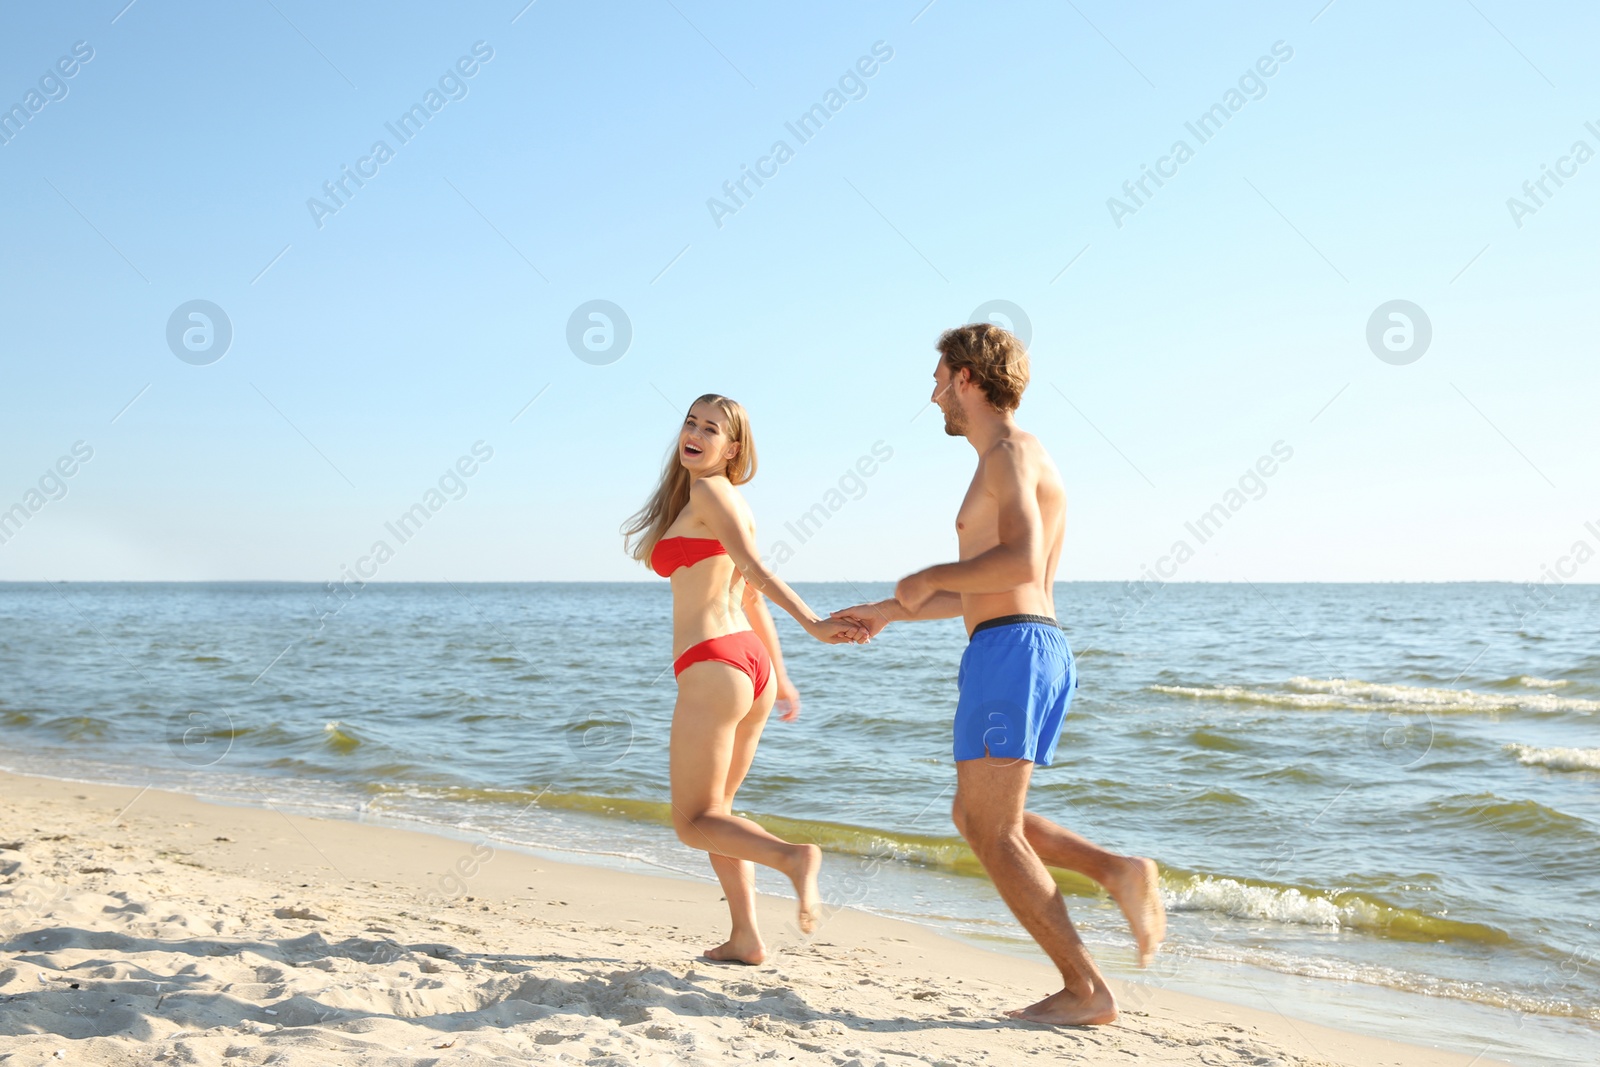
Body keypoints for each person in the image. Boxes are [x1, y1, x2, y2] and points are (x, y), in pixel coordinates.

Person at [832, 325, 1165, 1024]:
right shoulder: (1020, 455)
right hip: (1023, 642)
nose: (932, 394)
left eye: (938, 378)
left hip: (1013, 651)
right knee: (977, 816)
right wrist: (894, 609)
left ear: (967, 379)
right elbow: (995, 588)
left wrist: (926, 574)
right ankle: (1114, 869)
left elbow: (1017, 559)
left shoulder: (1009, 454)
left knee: (995, 828)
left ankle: (1086, 989)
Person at [623, 393, 868, 965]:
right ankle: (745, 937)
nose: (697, 433)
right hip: (746, 664)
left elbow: (757, 572)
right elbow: (749, 597)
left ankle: (792, 858)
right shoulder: (720, 499)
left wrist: (813, 624)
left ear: (732, 449)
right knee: (719, 815)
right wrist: (779, 678)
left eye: (712, 429)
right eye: (691, 422)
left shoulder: (711, 492)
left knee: (693, 822)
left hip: (714, 664)